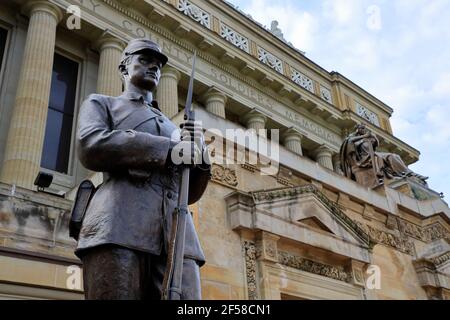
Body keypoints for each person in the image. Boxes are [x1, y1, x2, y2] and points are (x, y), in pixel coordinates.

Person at [73, 39, 210, 300]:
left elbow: (189, 192)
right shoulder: (102, 104)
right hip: (120, 225)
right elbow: (90, 144)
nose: (154, 67)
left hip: (175, 233)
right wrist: (167, 150)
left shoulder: (173, 129)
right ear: (124, 68)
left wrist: (199, 155)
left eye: (157, 64)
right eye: (145, 61)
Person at [340, 123, 427, 187]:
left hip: (372, 155)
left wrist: (371, 137)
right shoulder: (351, 139)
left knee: (393, 156)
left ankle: (409, 174)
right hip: (364, 159)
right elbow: (349, 143)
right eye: (361, 128)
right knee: (379, 157)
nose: (363, 130)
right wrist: (364, 137)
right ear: (357, 129)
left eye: (364, 128)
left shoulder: (366, 138)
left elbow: (375, 143)